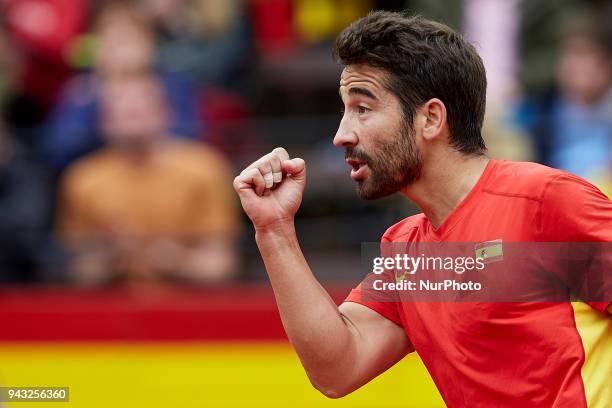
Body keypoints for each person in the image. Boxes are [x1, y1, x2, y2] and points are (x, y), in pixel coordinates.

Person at [233, 11, 612, 407]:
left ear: (431, 118)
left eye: (363, 109)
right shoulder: (407, 252)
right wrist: (274, 231)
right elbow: (337, 369)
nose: (341, 135)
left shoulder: (546, 202)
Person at [58, 72, 238, 285]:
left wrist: (177, 260)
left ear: (166, 113)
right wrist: (111, 258)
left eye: (141, 109)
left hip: (188, 306)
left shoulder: (205, 169)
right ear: (104, 122)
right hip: (111, 308)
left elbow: (222, 265)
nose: (133, 116)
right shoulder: (83, 179)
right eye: (123, 111)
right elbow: (75, 270)